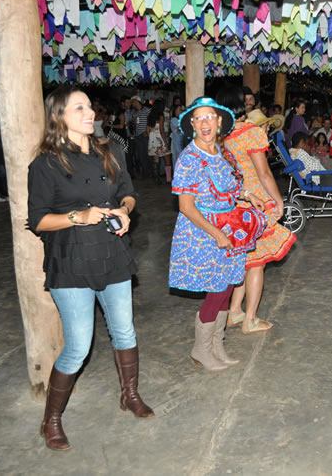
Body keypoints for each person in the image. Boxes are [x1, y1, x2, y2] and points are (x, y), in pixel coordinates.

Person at [28, 86, 154, 451]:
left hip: (112, 253)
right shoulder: (46, 164)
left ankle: (129, 394)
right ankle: (51, 420)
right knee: (78, 346)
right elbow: (38, 220)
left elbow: (128, 192)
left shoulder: (109, 150)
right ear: (59, 117)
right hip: (71, 260)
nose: (90, 113)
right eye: (79, 108)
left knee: (125, 332)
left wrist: (124, 211)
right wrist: (77, 216)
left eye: (89, 107)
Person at [169, 97, 267, 370]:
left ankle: (217, 345)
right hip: (204, 232)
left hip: (228, 227)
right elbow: (186, 207)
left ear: (219, 121)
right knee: (216, 291)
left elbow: (229, 186)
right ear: (191, 124)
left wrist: (247, 195)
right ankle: (201, 349)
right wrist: (216, 234)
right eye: (199, 118)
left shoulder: (219, 152)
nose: (205, 123)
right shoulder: (189, 158)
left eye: (209, 117)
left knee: (227, 288)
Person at [220, 90, 296, 334]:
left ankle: (234, 311)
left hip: (234, 203)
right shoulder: (250, 133)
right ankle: (250, 319)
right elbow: (264, 173)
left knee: (246, 260)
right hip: (256, 204)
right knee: (256, 263)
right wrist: (278, 200)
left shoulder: (222, 136)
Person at [146, 105, 173, 184]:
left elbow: (147, 130)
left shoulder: (150, 116)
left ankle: (156, 179)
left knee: (156, 160)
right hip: (160, 139)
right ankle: (168, 179)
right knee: (167, 160)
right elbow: (161, 130)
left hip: (152, 139)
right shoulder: (160, 116)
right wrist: (165, 142)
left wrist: (151, 137)